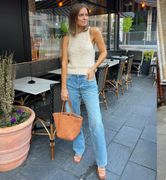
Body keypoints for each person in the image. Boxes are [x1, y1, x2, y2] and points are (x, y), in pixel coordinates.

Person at [61, 3, 107, 180]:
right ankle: (79, 148)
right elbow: (64, 63)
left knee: (96, 123)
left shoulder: (93, 32)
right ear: (74, 17)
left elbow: (103, 52)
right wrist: (64, 87)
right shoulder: (67, 38)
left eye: (86, 15)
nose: (85, 18)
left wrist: (94, 67)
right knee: (75, 118)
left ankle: (102, 162)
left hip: (88, 82)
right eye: (81, 15)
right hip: (71, 81)